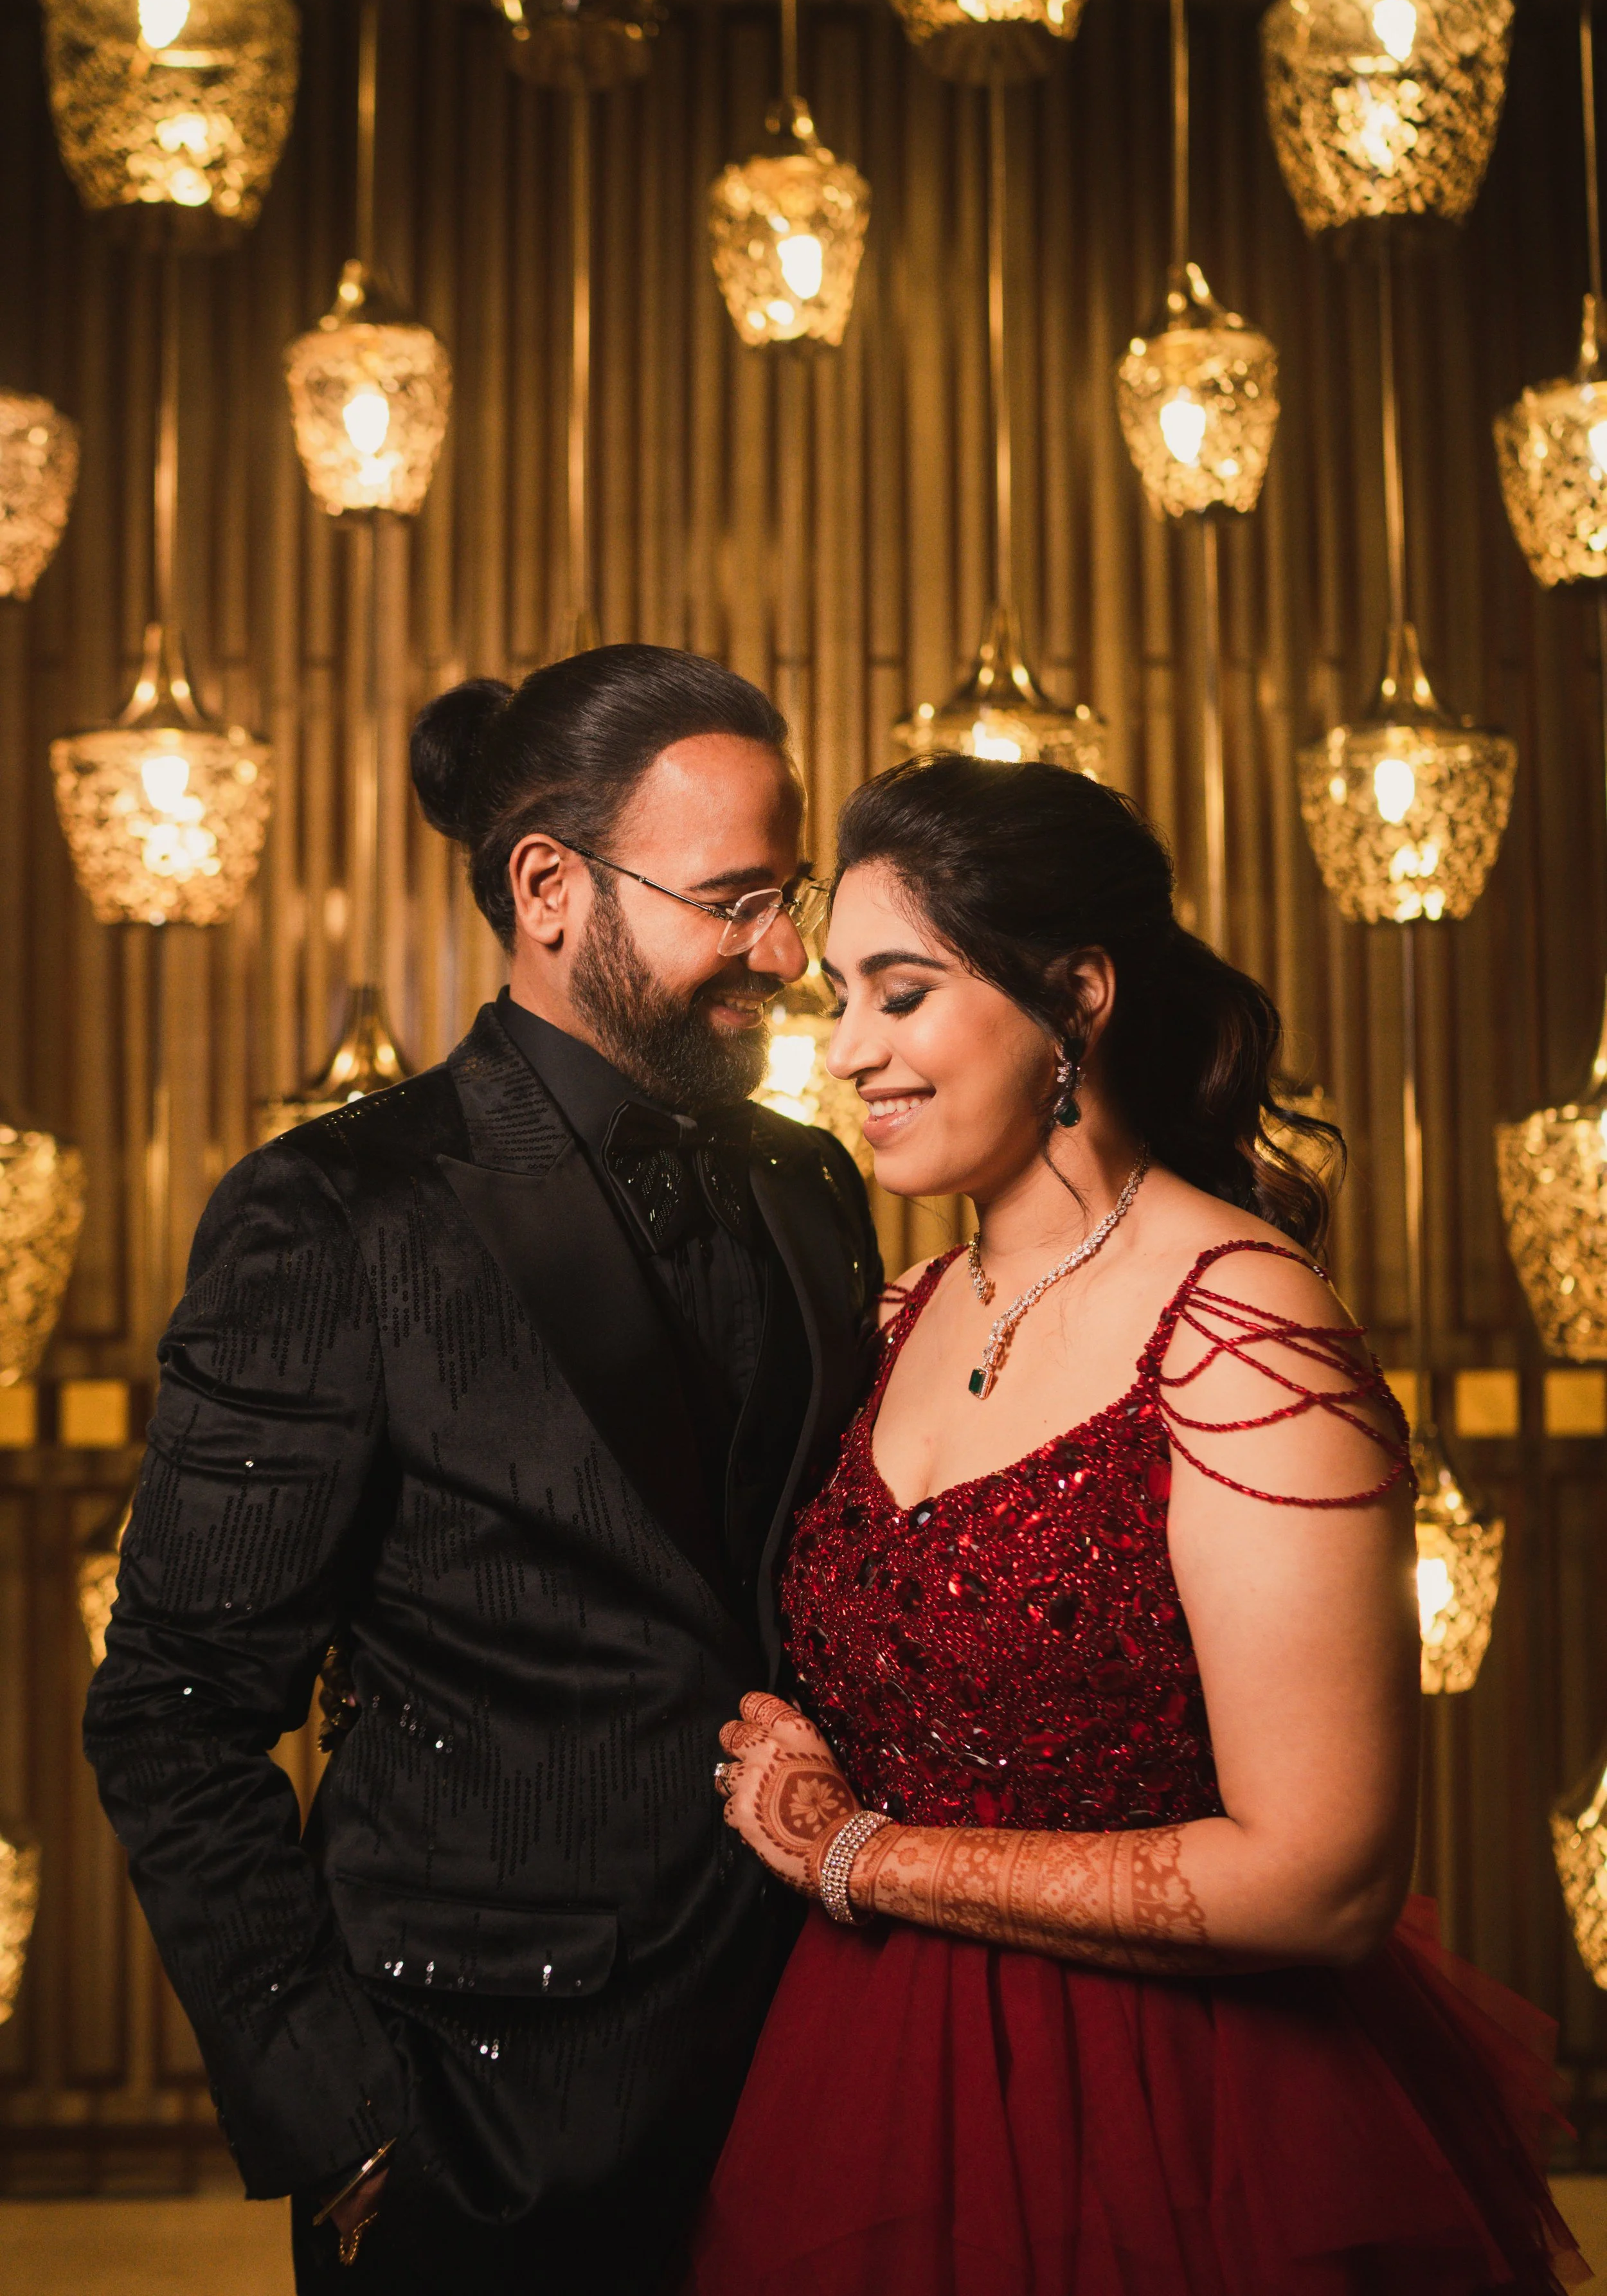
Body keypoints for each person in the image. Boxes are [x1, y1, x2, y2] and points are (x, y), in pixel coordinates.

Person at [690, 752, 1587, 2296]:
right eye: (834, 999)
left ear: (1078, 998)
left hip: (1177, 2122)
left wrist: (855, 1854)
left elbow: (1321, 1879)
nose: (844, 1052)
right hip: (867, 2088)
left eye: (897, 996)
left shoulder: (1235, 1323)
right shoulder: (897, 1310)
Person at [82, 645, 883, 2296]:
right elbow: (173, 1705)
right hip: (472, 2128)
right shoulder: (333, 1214)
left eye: (789, 894)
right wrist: (346, 2133)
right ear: (548, 888)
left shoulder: (814, 1184)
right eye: (736, 899)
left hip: (816, 2076)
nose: (791, 954)